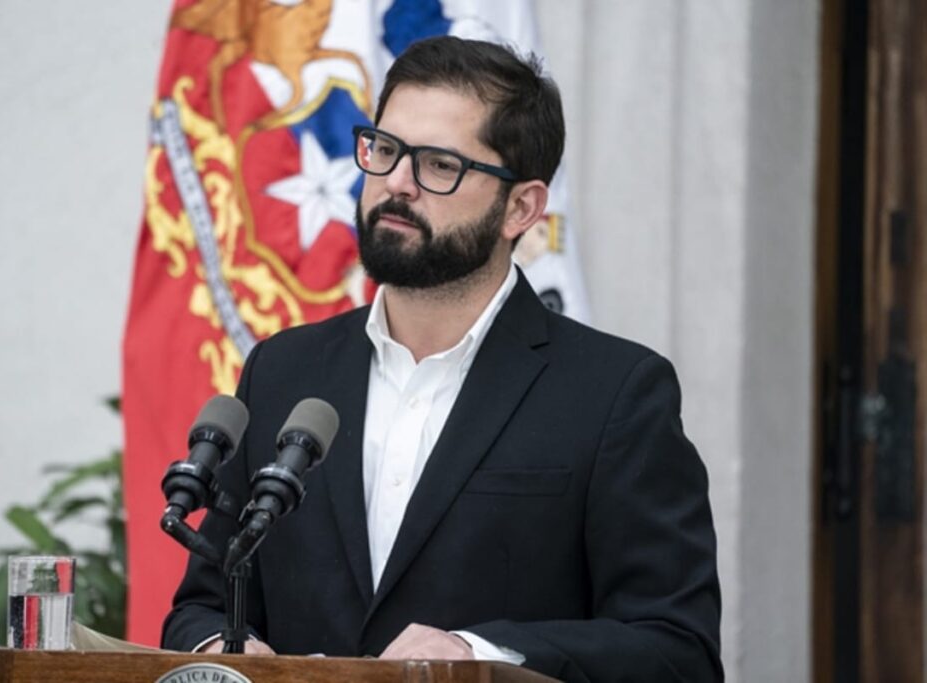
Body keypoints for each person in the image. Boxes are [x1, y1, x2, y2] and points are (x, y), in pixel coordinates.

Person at [162, 35, 723, 682]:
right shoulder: (283, 370)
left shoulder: (615, 393)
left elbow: (677, 653)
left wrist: (477, 656)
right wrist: (225, 649)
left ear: (521, 207)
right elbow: (204, 601)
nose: (397, 183)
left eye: (439, 165)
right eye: (387, 150)